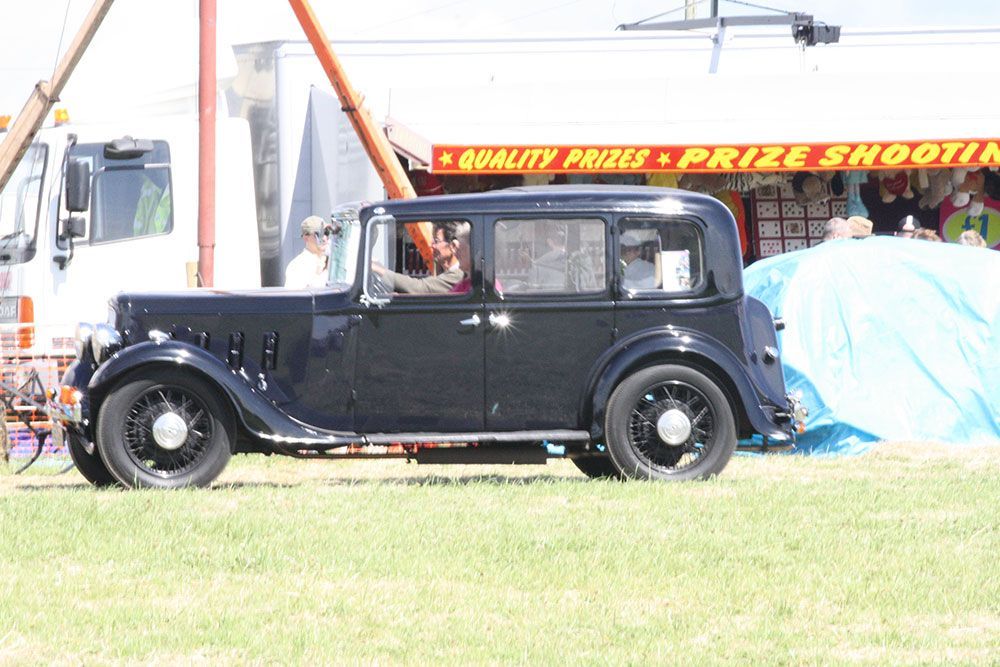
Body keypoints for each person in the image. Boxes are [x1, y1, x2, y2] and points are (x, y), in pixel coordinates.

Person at [374, 221, 469, 294]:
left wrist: (380, 270)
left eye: (436, 241)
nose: (432, 246)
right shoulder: (444, 271)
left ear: (452, 246)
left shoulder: (458, 275)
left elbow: (421, 287)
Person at [284, 215, 329, 288]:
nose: (324, 238)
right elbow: (294, 294)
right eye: (319, 234)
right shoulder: (297, 266)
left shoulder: (333, 262)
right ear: (305, 237)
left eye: (326, 233)